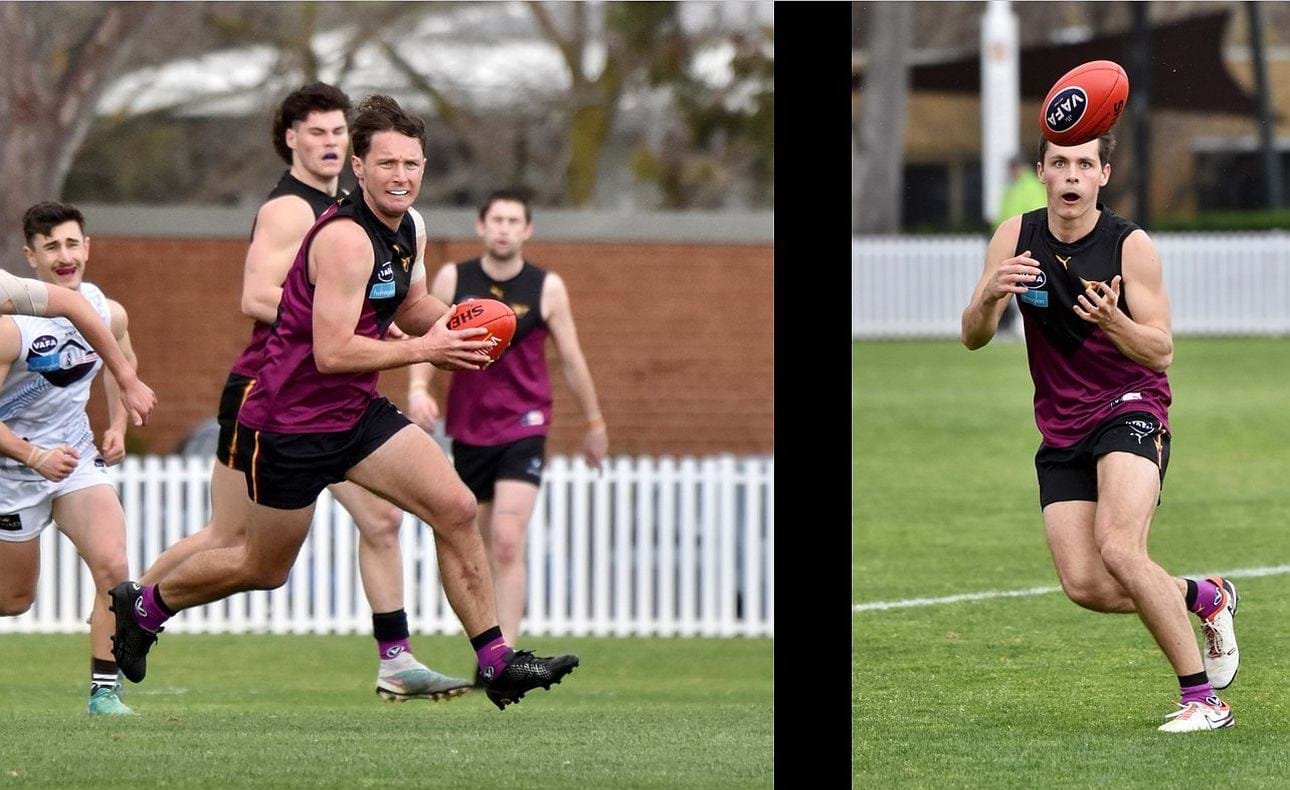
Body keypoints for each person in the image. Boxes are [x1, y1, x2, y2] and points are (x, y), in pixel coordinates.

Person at [110, 95, 579, 711]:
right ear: (359, 166)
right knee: (260, 565)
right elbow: (331, 351)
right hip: (292, 422)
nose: (402, 176)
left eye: (412, 164)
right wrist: (426, 351)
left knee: (457, 507)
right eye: (387, 163)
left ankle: (495, 661)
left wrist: (460, 329)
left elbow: (408, 307)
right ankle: (144, 604)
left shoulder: (409, 229)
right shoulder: (343, 239)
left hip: (357, 415)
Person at [136, 82, 469, 702]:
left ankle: (395, 659)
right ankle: (128, 611)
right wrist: (347, 320)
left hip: (333, 390)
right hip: (273, 388)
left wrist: (395, 318)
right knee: (232, 545)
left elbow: (385, 300)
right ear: (290, 139)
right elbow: (257, 298)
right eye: (317, 132)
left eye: (339, 131)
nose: (330, 142)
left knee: (383, 518)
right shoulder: (291, 210)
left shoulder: (365, 211)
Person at [961, 133, 1239, 733]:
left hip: (1131, 406)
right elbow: (973, 336)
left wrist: (1114, 321)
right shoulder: (1014, 236)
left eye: (1084, 164)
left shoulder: (1128, 245)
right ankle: (1204, 597)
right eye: (1059, 163)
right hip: (1061, 426)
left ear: (1103, 175)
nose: (1071, 175)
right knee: (1086, 584)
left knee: (1119, 546)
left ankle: (1204, 701)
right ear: (1042, 171)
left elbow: (1161, 351)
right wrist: (988, 294)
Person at [406, 189, 608, 680]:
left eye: (513, 220)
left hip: (525, 424)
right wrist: (417, 388)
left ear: (527, 230)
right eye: (496, 219)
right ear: (481, 226)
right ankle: (489, 645)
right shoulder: (456, 278)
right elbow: (429, 339)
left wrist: (595, 422)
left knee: (507, 542)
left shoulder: (546, 287)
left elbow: (572, 358)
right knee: (473, 542)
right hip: (470, 428)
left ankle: (505, 658)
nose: (503, 228)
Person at [0, 202, 148, 715]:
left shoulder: (108, 311)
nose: (64, 257)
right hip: (13, 471)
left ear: (87, 247)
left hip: (76, 460)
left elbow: (120, 360)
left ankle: (104, 692)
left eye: (71, 244)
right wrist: (32, 454)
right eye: (50, 247)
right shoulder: (11, 326)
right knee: (14, 600)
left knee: (114, 565)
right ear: (30, 257)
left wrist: (117, 424)